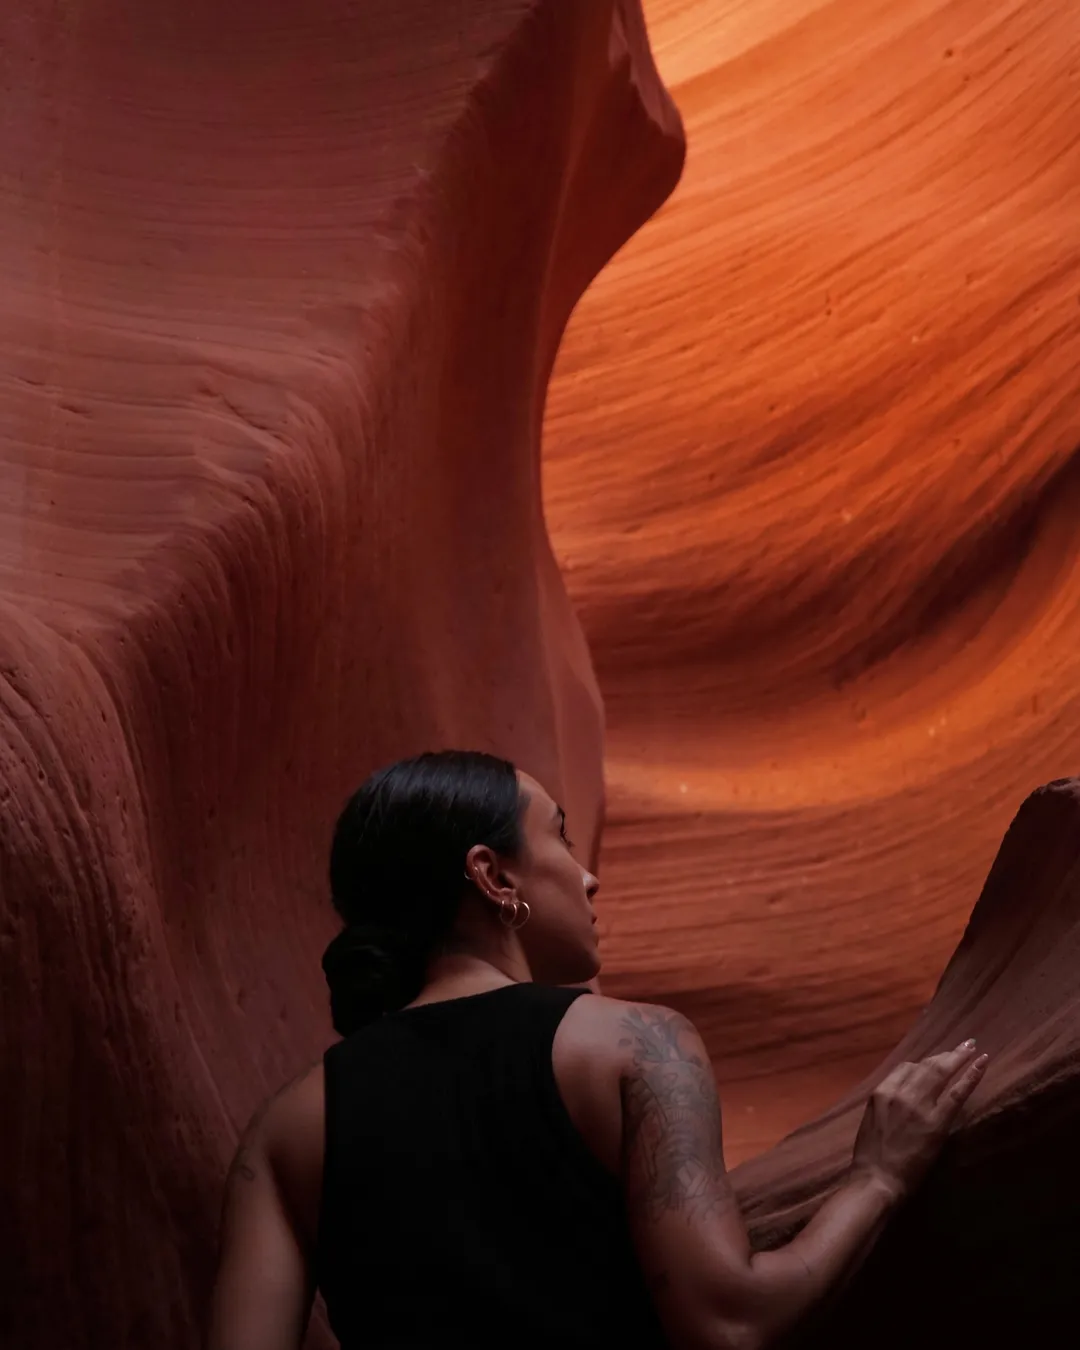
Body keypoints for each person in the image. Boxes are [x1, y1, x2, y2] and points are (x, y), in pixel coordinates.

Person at [207, 749, 988, 1350]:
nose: (588, 878)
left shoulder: (287, 1126)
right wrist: (879, 1175)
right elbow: (729, 1321)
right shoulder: (634, 1043)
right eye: (559, 834)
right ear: (492, 875)